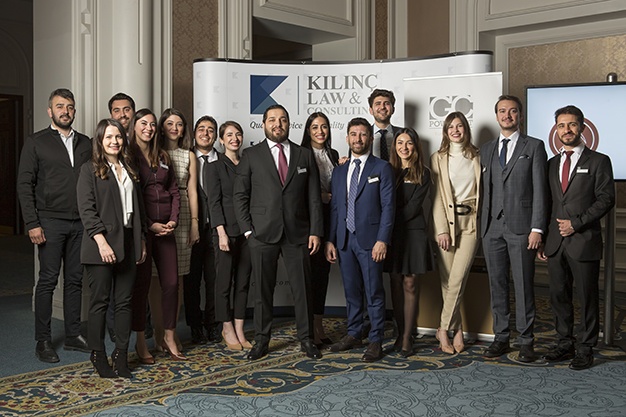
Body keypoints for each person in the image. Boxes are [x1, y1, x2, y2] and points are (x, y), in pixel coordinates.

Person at [233, 104, 323, 361]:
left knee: (302, 289)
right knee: (262, 292)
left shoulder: (304, 155)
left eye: (283, 119)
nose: (278, 124)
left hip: (298, 233)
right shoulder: (251, 155)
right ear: (263, 124)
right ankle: (262, 340)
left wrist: (315, 231)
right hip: (262, 234)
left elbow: (313, 197)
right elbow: (240, 196)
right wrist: (248, 232)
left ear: (289, 124)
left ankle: (307, 339)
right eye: (272, 119)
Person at [17, 88, 92, 363]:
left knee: (74, 280)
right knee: (48, 280)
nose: (65, 111)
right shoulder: (36, 142)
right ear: (50, 111)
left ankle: (73, 335)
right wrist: (32, 223)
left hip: (80, 223)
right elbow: (24, 184)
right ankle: (43, 340)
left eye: (70, 107)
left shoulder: (86, 143)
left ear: (74, 111)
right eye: (60, 106)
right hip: (49, 222)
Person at [538, 105, 615, 370]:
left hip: (583, 239)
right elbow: (547, 203)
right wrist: (544, 237)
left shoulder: (599, 161)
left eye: (571, 124)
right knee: (558, 296)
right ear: (556, 130)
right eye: (561, 125)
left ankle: (585, 348)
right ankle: (564, 343)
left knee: (587, 297)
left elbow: (606, 199)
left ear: (582, 127)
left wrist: (576, 223)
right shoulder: (551, 164)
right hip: (555, 242)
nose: (566, 130)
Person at [76, 118, 147, 378]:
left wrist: (141, 240)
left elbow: (138, 210)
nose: (114, 141)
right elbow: (87, 210)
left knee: (125, 302)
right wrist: (102, 242)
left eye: (118, 137)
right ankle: (97, 353)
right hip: (100, 244)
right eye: (108, 137)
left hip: (128, 241)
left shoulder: (129, 168)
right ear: (100, 140)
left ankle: (121, 354)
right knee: (100, 302)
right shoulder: (89, 170)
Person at [480, 95, 548, 362]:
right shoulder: (486, 149)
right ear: (496, 115)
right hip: (491, 228)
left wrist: (537, 228)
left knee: (523, 286)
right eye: (502, 111)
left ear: (520, 115)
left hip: (522, 228)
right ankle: (501, 337)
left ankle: (526, 341)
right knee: (496, 285)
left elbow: (541, 190)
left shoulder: (535, 146)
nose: (507, 115)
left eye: (512, 111)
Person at [325, 117, 395, 362]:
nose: (358, 139)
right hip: (345, 239)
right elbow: (335, 208)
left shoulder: (382, 168)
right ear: (347, 138)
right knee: (352, 291)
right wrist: (330, 240)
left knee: (374, 292)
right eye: (353, 134)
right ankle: (354, 332)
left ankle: (375, 339)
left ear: (370, 138)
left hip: (371, 241)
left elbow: (388, 207)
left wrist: (382, 240)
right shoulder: (339, 170)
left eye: (363, 134)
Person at [129, 108, 185, 362]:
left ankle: (169, 336)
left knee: (171, 283)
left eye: (152, 124)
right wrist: (150, 224)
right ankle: (141, 341)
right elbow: (131, 196)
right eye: (144, 123)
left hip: (167, 230)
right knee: (141, 286)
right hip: (143, 230)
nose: (149, 128)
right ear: (134, 126)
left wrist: (173, 219)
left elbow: (174, 190)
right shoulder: (127, 154)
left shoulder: (162, 155)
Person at [430, 112, 481, 355]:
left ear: (466, 129)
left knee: (458, 279)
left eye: (460, 126)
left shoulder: (478, 155)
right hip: (446, 224)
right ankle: (457, 329)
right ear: (445, 131)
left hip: (471, 222)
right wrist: (441, 229)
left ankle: (442, 329)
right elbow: (436, 198)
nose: (455, 130)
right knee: (447, 280)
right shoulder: (437, 158)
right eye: (451, 126)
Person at [384, 127, 432, 357]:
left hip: (412, 233)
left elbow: (413, 208)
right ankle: (399, 331)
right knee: (395, 282)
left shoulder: (423, 173)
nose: (404, 147)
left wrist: (387, 220)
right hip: (392, 234)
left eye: (409, 143)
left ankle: (407, 337)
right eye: (400, 143)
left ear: (415, 146)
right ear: (394, 147)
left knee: (410, 283)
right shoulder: (387, 171)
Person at [157, 109, 200, 349]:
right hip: (159, 212)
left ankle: (170, 332)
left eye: (180, 124)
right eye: (170, 123)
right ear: (162, 127)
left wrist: (194, 223)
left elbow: (192, 192)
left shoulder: (189, 155)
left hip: (183, 216)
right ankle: (158, 331)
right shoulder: (154, 152)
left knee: (178, 278)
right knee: (156, 278)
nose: (175, 128)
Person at [208, 121, 252, 351]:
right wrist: (221, 233)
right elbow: (214, 203)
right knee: (224, 283)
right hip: (225, 232)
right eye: (229, 135)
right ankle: (226, 327)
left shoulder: (248, 164)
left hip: (247, 232)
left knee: (243, 283)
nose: (235, 138)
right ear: (221, 140)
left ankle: (240, 328)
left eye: (238, 134)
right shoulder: (214, 167)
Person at [300, 112, 341, 347]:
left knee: (322, 275)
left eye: (324, 126)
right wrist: (320, 196)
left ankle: (318, 324)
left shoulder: (333, 155)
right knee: (309, 276)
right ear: (308, 130)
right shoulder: (300, 154)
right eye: (315, 127)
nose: (320, 131)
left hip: (329, 219)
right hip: (308, 222)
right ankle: (309, 329)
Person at [186, 115, 220, 344]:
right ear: (194, 133)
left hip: (217, 230)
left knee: (215, 280)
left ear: (216, 136)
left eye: (210, 130)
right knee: (192, 281)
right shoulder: (186, 158)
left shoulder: (224, 160)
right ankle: (195, 326)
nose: (205, 133)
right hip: (192, 229)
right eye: (201, 129)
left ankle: (213, 324)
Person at [368, 89, 401, 161]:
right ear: (371, 110)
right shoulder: (362, 135)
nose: (382, 107)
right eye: (378, 103)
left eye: (386, 103)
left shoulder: (403, 134)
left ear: (393, 110)